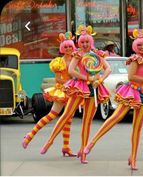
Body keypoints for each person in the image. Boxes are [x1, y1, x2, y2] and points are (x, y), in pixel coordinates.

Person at [83, 28, 143, 170]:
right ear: (135, 46)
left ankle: (134, 158)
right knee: (115, 117)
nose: (142, 47)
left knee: (137, 128)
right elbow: (131, 77)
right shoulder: (135, 59)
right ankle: (92, 142)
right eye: (139, 45)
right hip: (133, 92)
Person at [39, 25, 111, 164]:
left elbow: (107, 69)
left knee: (87, 121)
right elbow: (71, 71)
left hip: (94, 89)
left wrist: (100, 79)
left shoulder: (96, 54)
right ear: (79, 43)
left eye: (87, 42)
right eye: (82, 42)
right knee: (66, 115)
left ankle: (83, 152)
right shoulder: (77, 54)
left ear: (91, 42)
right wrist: (87, 78)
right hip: (79, 87)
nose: (85, 44)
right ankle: (49, 142)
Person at [22, 32, 77, 157]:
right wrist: (71, 81)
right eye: (66, 46)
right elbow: (58, 79)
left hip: (73, 92)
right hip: (62, 91)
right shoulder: (59, 61)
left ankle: (66, 147)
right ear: (62, 48)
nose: (68, 49)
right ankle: (29, 136)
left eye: (70, 46)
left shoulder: (77, 59)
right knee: (52, 115)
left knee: (68, 119)